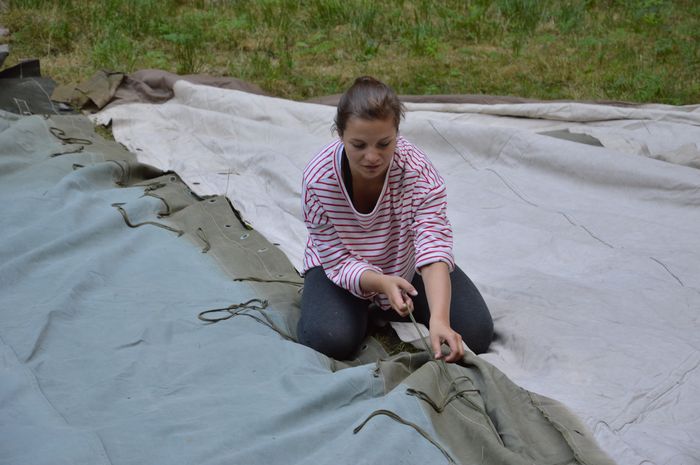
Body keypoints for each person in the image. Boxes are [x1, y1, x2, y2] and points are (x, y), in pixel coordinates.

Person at [297, 76, 493, 362]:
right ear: (340, 135)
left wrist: (439, 319)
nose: (372, 157)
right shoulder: (318, 181)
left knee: (475, 334)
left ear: (397, 133)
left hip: (405, 264)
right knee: (329, 339)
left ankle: (388, 306)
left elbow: (432, 244)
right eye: (359, 145)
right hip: (341, 269)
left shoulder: (417, 172)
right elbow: (335, 259)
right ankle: (357, 308)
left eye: (384, 144)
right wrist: (380, 283)